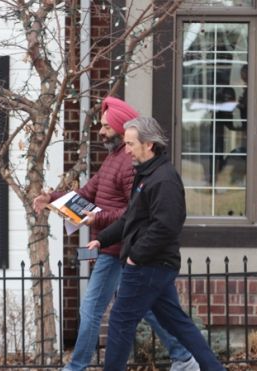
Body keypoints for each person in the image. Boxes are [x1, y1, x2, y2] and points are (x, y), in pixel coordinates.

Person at [33, 97, 199, 371]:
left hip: (126, 249)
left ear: (122, 129)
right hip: (114, 247)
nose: (100, 131)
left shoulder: (131, 164)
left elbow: (133, 213)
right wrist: (53, 197)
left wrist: (98, 219)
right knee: (148, 308)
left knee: (99, 309)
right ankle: (183, 356)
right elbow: (87, 193)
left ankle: (76, 367)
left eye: (106, 127)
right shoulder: (113, 158)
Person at [87, 117, 225, 371]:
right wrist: (102, 239)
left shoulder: (164, 180)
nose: (126, 149)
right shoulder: (146, 175)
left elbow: (166, 226)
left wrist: (135, 257)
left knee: (120, 320)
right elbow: (131, 217)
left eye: (130, 144)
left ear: (148, 144)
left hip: (148, 266)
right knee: (177, 322)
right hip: (153, 265)